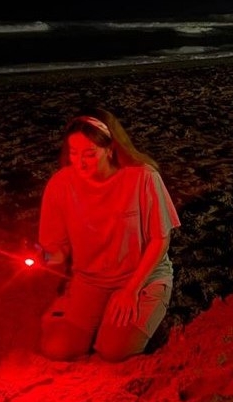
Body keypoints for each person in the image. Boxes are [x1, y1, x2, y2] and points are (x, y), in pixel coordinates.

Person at [37, 108, 180, 362]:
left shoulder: (142, 177)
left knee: (113, 351)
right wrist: (45, 256)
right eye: (73, 153)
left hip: (141, 278)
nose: (79, 163)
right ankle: (80, 310)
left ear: (110, 149)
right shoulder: (60, 185)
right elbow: (58, 250)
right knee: (58, 349)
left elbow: (161, 240)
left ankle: (148, 315)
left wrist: (131, 290)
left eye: (90, 154)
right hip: (90, 280)